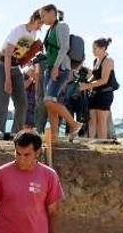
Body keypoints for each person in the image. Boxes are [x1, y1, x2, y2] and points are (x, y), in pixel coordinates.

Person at [0, 11, 44, 138]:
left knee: (22, 102)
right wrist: (8, 79)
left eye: (42, 24)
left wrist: (30, 63)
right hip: (1, 65)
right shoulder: (18, 30)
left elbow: (20, 57)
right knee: (3, 98)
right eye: (39, 22)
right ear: (33, 19)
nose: (40, 26)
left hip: (15, 68)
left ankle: (16, 133)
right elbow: (8, 55)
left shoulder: (34, 34)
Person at [39, 5, 82, 140]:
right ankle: (54, 137)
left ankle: (74, 124)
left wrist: (56, 67)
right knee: (51, 105)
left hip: (60, 68)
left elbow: (64, 48)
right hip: (50, 68)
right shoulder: (50, 29)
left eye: (43, 15)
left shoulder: (62, 26)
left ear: (52, 12)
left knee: (48, 101)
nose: (42, 19)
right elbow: (52, 50)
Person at [80, 37, 117, 140]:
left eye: (95, 48)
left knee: (101, 121)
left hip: (105, 94)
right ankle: (91, 143)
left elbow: (104, 80)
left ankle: (102, 144)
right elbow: (94, 76)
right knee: (91, 120)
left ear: (103, 48)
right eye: (93, 48)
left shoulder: (108, 61)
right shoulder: (96, 60)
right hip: (94, 94)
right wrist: (85, 82)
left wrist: (86, 86)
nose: (93, 51)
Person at [23, 65, 38, 130]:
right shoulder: (25, 71)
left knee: (31, 122)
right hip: (27, 100)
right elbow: (24, 86)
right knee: (26, 120)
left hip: (32, 101)